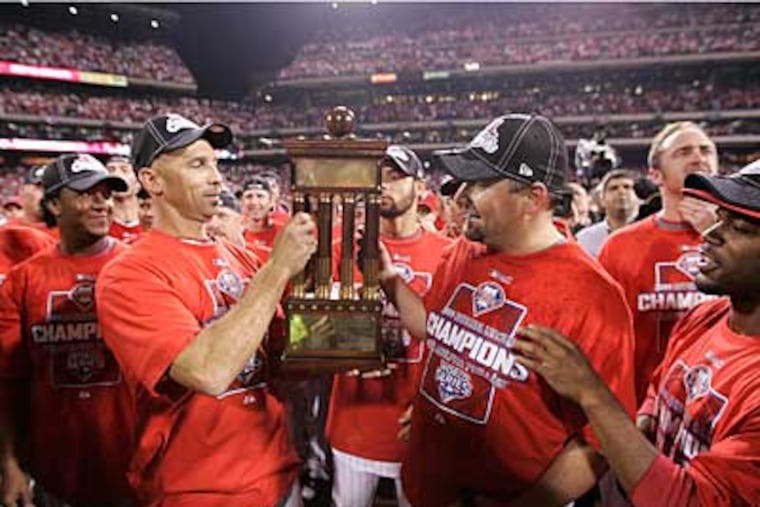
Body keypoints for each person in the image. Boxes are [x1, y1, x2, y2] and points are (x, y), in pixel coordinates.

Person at [383, 114, 636, 506]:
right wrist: (389, 281)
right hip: (426, 486)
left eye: (481, 183)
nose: (461, 195)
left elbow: (599, 442)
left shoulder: (594, 296)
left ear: (533, 198)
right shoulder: (465, 250)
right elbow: (434, 330)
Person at [96, 114, 317, 506]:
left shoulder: (239, 257)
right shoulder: (127, 276)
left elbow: (282, 359)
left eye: (215, 163)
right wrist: (278, 268)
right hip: (199, 490)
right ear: (152, 181)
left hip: (278, 475)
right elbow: (208, 372)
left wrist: (341, 339)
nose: (217, 177)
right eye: (197, 164)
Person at [513, 158, 760, 506]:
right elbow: (660, 392)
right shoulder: (707, 315)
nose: (710, 234)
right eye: (720, 217)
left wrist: (591, 394)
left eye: (742, 227)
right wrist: (626, 438)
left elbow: (687, 501)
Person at [0, 153, 133, 507]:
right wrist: (10, 464)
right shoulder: (22, 280)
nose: (102, 203)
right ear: (56, 204)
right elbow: (9, 382)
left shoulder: (138, 268)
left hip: (135, 470)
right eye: (87, 193)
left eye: (106, 194)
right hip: (57, 473)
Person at [326, 145, 452, 507]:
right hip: (356, 418)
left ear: (420, 185)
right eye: (377, 177)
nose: (383, 185)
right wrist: (338, 344)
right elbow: (310, 333)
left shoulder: (449, 252)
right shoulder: (339, 248)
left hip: (423, 419)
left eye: (396, 176)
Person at [598, 122, 720, 404]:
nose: (698, 157)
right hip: (642, 404)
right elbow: (604, 338)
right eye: (683, 151)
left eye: (706, 150)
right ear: (655, 175)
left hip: (725, 402)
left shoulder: (750, 239)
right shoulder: (619, 246)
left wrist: (715, 233)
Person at [576, 169, 640, 257]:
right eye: (614, 188)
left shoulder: (651, 235)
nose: (621, 191)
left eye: (627, 187)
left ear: (638, 197)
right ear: (602, 200)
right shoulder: (585, 239)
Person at [241, 176, 282, 261]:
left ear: (271, 202)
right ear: (242, 201)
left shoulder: (282, 233)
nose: (254, 202)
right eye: (249, 196)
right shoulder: (235, 232)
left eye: (260, 196)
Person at [106, 155, 144, 243]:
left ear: (139, 181)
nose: (117, 174)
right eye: (111, 170)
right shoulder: (99, 223)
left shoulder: (152, 220)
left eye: (124, 170)